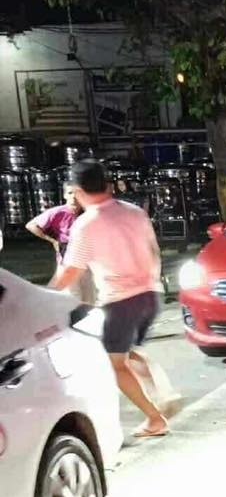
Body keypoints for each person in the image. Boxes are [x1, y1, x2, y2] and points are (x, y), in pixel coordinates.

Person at [51, 157, 173, 438]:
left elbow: (71, 269)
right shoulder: (134, 212)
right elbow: (154, 251)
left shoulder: (86, 224)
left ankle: (155, 418)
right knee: (125, 352)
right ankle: (161, 394)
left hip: (121, 301)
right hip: (150, 296)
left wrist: (46, 295)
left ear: (79, 191)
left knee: (114, 364)